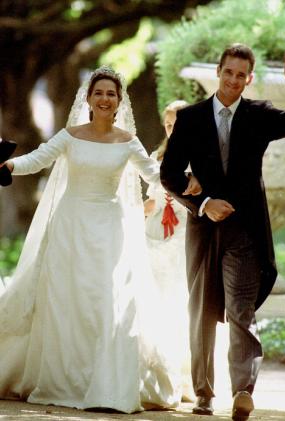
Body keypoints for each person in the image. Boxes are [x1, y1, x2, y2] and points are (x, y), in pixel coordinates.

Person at [0, 66, 197, 413]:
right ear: (89, 99)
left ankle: (106, 384)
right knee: (66, 300)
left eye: (111, 94)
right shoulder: (71, 135)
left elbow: (156, 175)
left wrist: (189, 182)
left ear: (119, 101)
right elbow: (38, 158)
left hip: (110, 228)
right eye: (99, 93)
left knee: (108, 300)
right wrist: (8, 166)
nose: (105, 99)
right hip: (69, 226)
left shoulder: (127, 141)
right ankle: (64, 380)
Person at [160, 43, 285, 420]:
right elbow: (169, 174)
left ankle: (243, 390)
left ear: (250, 78)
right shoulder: (191, 118)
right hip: (203, 229)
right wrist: (203, 202)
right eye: (228, 72)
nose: (233, 80)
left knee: (241, 310)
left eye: (240, 75)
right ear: (218, 71)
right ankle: (204, 394)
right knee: (201, 312)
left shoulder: (258, 115)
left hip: (245, 232)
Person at [144, 100, 201, 402]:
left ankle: (186, 378)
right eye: (168, 125)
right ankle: (156, 372)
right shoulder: (157, 156)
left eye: (177, 124)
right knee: (153, 301)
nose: (172, 129)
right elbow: (154, 194)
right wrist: (143, 208)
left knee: (180, 302)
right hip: (154, 233)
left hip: (181, 235)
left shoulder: (198, 156)